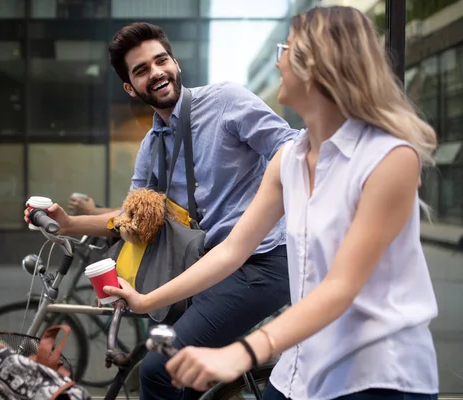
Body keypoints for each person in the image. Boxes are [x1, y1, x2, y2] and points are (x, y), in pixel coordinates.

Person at [105, 6, 439, 400]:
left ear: (321, 66)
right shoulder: (290, 160)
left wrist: (242, 352)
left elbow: (341, 287)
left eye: (287, 49)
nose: (278, 61)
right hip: (303, 364)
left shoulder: (387, 158)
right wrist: (146, 301)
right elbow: (231, 251)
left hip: (378, 375)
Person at [25, 22, 298, 400]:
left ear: (176, 63)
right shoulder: (152, 146)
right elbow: (131, 220)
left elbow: (290, 146)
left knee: (159, 369)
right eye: (141, 70)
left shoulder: (224, 101)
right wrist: (69, 223)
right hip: (214, 266)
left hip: (264, 261)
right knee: (180, 371)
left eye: (161, 60)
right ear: (130, 87)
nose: (155, 72)